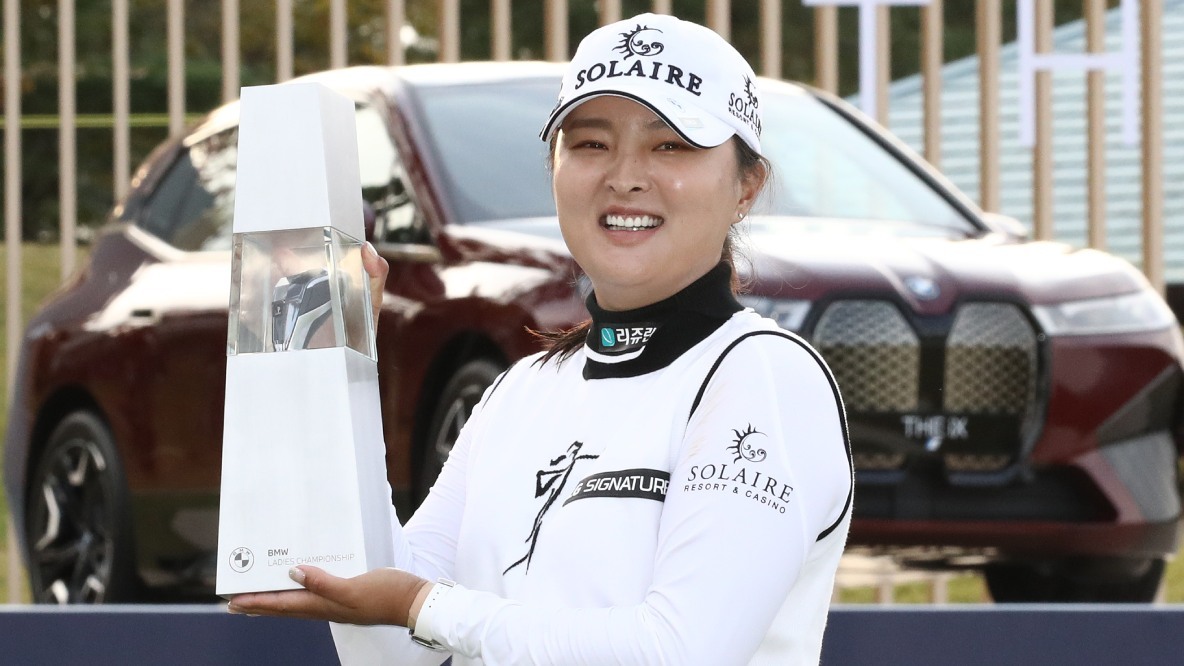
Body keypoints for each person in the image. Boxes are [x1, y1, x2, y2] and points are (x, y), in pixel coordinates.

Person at [229, 12, 853, 665]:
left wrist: (422, 606)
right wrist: (336, 369)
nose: (625, 176)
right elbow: (390, 651)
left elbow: (680, 651)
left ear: (746, 186)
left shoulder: (765, 376)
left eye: (671, 146)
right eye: (591, 143)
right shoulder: (518, 392)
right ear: (553, 167)